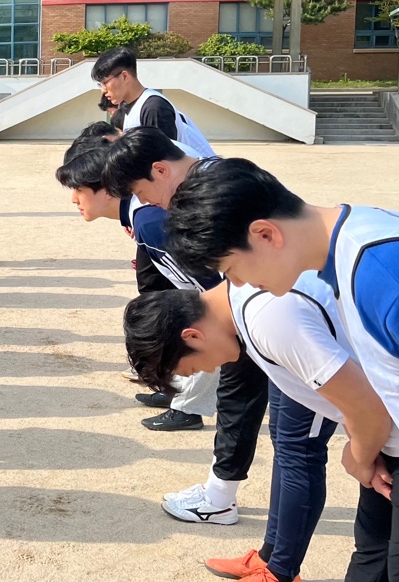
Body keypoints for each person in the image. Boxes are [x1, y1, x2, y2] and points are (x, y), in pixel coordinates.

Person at [166, 158, 399, 582]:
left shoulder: (392, 275)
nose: (240, 285)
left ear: (265, 234)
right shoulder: (352, 248)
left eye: (233, 271)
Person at [123, 276, 399, 582]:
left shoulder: (269, 320)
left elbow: (366, 406)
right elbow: (350, 398)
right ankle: (273, 561)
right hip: (396, 425)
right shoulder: (241, 299)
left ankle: (281, 574)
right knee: (375, 547)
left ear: (193, 336)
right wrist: (366, 447)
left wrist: (361, 457)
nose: (208, 371)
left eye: (194, 368)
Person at [103, 128, 273, 524]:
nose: (144, 202)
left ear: (160, 170)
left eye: (141, 192)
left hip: (268, 314)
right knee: (255, 409)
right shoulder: (208, 181)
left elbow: (242, 270)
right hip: (253, 313)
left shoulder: (214, 193)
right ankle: (221, 495)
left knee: (294, 438)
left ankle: (254, 533)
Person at [93, 45, 215, 156]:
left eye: (105, 83)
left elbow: (164, 162)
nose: (103, 90)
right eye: (100, 85)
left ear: (124, 76)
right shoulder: (129, 108)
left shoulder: (153, 107)